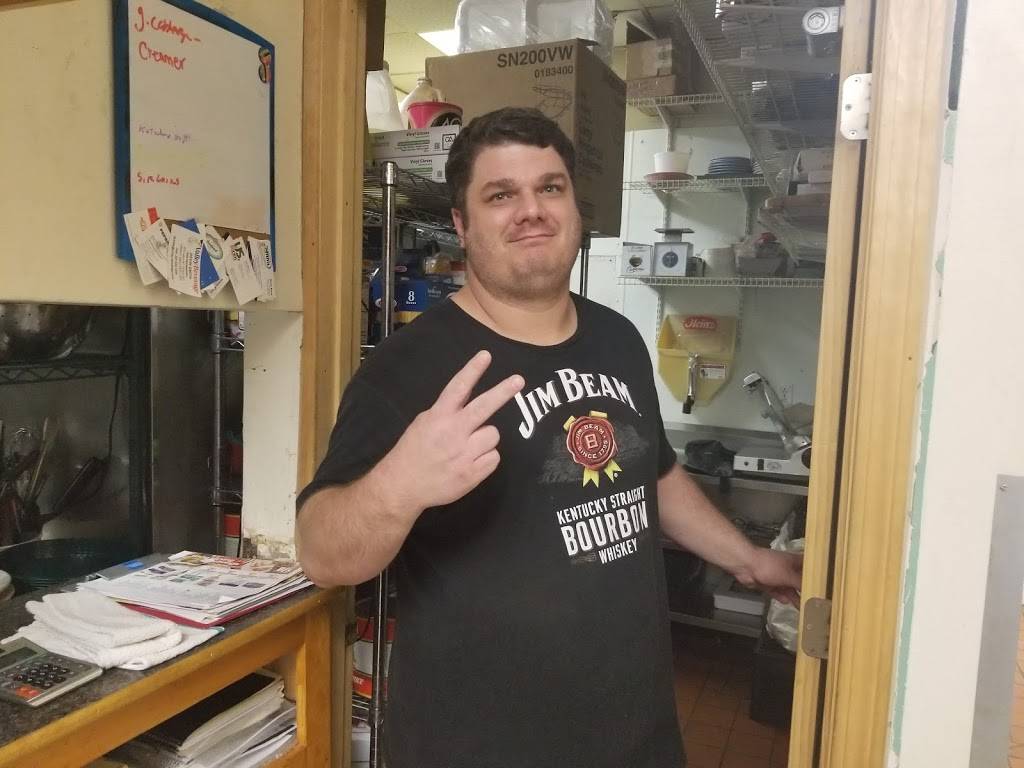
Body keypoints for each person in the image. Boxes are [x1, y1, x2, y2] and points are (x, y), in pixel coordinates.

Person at [296, 107, 802, 768]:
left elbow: (654, 476)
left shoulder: (617, 338)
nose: (531, 210)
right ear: (461, 224)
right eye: (501, 195)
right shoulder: (408, 368)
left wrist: (749, 561)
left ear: (573, 208)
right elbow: (321, 553)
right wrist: (398, 486)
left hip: (634, 733)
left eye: (550, 187)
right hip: (478, 748)